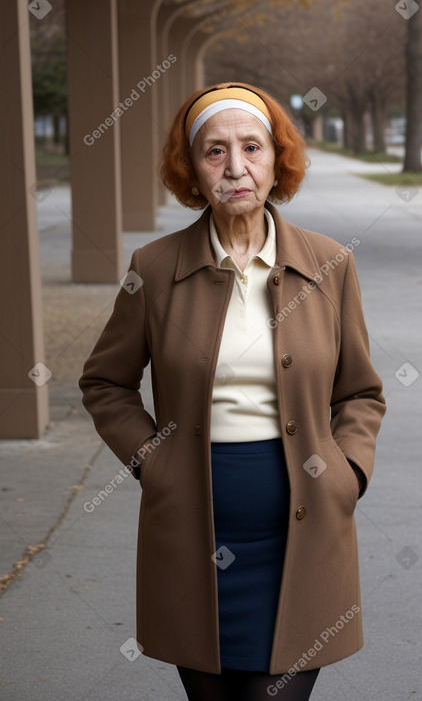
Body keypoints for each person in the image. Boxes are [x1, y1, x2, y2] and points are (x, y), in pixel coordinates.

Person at [79, 82, 386, 701]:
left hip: (303, 532)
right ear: (191, 169)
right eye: (214, 152)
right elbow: (105, 382)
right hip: (192, 533)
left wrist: (347, 471)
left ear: (278, 160)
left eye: (253, 147)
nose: (236, 167)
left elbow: (360, 393)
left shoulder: (330, 265)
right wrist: (150, 459)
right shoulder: (155, 268)